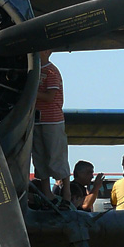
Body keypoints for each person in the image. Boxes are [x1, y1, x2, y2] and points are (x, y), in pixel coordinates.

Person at [32, 50, 70, 201]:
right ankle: (47, 192)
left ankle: (66, 193)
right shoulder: (34, 71)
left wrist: (31, 92)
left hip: (52, 120)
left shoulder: (51, 71)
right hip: (37, 120)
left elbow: (50, 96)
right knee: (39, 156)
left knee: (56, 156)